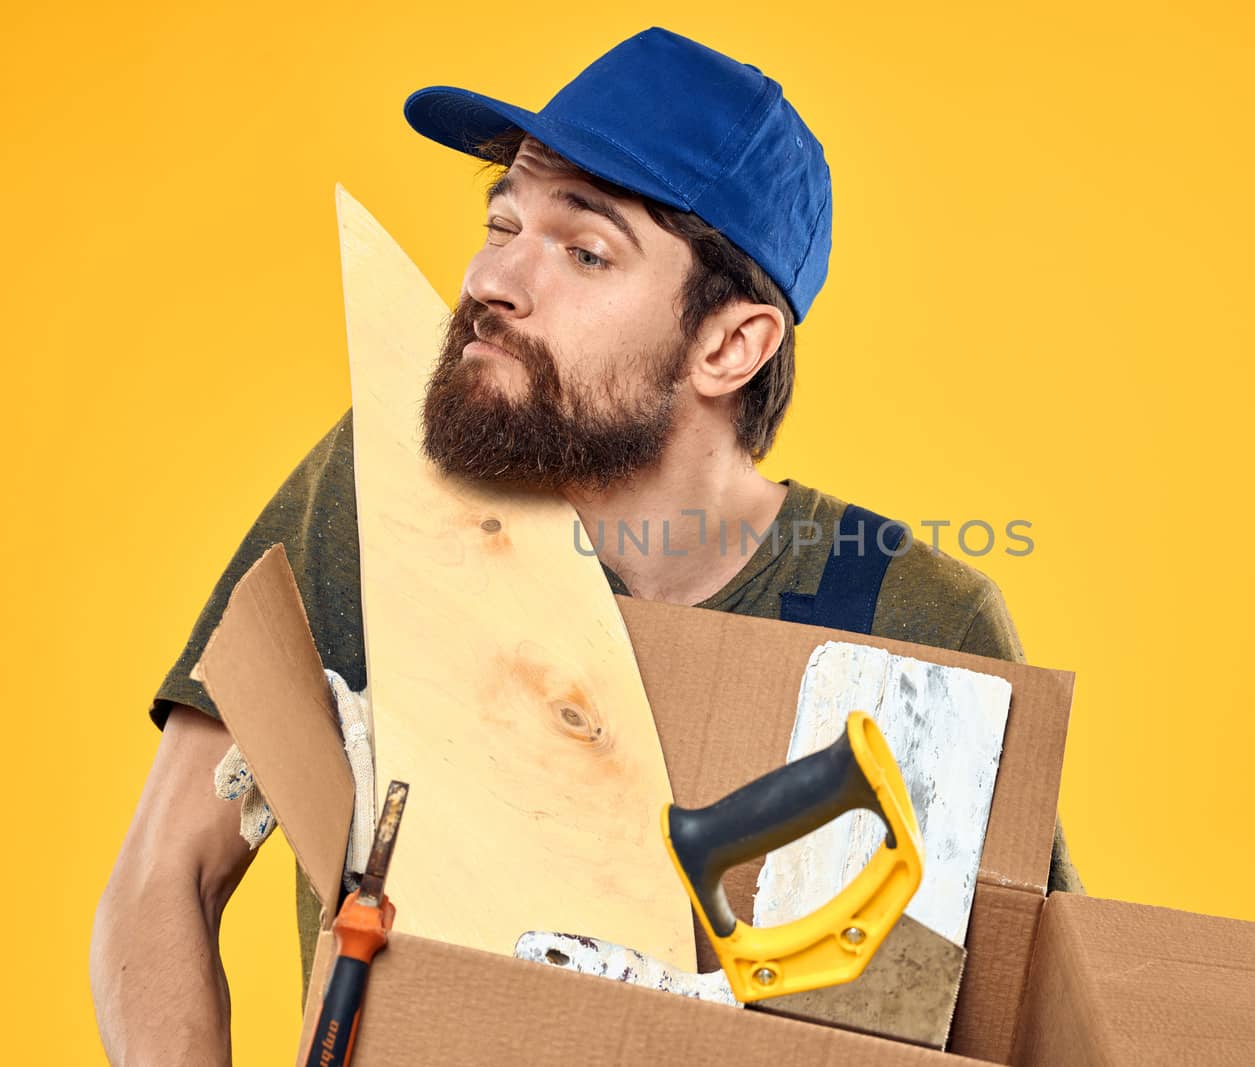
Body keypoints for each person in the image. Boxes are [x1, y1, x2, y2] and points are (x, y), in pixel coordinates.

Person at [89, 26, 1082, 1063]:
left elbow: (1028, 1014)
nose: (491, 278)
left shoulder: (911, 623)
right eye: (502, 220)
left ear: (729, 344)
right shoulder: (387, 495)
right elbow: (165, 876)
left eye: (583, 250)